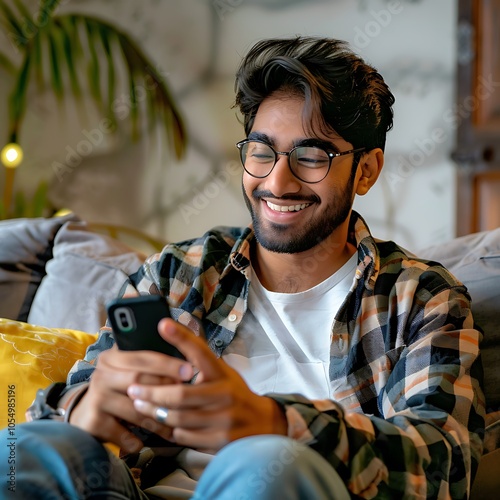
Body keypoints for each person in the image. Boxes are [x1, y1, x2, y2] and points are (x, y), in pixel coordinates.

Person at [0, 36, 485, 499]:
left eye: (311, 155)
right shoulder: (180, 272)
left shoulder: (420, 296)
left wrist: (273, 422)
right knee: (24, 449)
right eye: (261, 152)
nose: (277, 181)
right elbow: (73, 398)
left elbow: (443, 463)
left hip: (279, 487)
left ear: (366, 170)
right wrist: (80, 410)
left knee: (266, 463)